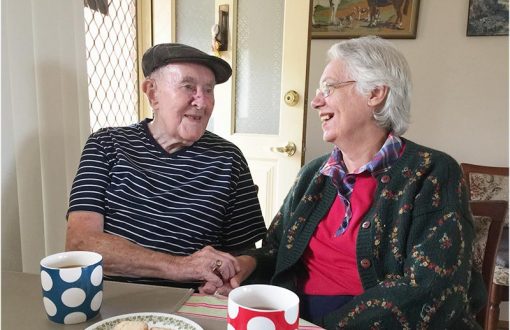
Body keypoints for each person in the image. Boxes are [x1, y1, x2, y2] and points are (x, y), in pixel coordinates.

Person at [204, 36, 486, 328]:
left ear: (375, 93)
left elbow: (431, 290)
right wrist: (245, 265)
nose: (315, 101)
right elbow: (277, 250)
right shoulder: (315, 174)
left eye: (328, 88)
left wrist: (322, 326)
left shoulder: (432, 172)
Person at [66, 43, 267, 290]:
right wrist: (180, 267)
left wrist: (235, 272)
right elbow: (80, 243)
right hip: (114, 300)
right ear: (152, 93)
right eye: (188, 87)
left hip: (192, 304)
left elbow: (247, 252)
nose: (202, 102)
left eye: (209, 90)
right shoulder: (107, 145)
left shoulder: (228, 158)